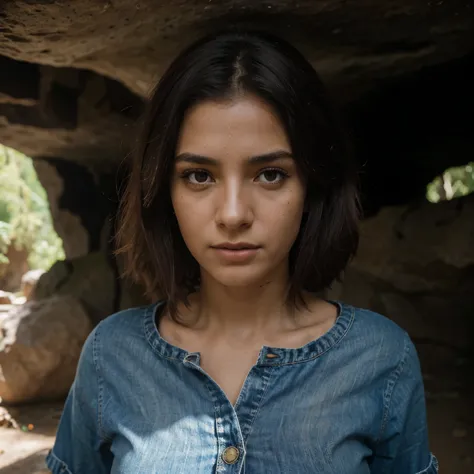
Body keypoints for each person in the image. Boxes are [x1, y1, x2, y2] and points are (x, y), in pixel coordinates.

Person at [46, 29, 438, 474]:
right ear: (161, 192)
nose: (233, 214)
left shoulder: (381, 356)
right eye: (198, 176)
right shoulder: (111, 355)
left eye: (270, 174)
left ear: (314, 185)